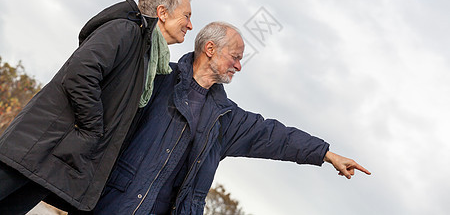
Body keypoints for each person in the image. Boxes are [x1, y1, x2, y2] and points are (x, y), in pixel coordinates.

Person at [93, 21, 371, 215]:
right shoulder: (159, 79)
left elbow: (274, 136)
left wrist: (325, 154)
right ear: (210, 49)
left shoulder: (226, 118)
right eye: (235, 57)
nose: (239, 65)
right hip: (114, 204)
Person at [0, 0, 193, 214]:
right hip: (36, 149)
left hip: (55, 160)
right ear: (162, 12)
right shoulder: (126, 30)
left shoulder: (147, 58)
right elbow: (80, 73)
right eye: (186, 16)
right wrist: (92, 130)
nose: (190, 25)